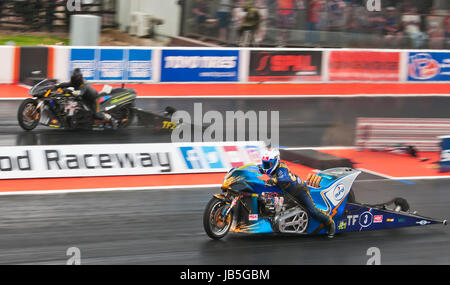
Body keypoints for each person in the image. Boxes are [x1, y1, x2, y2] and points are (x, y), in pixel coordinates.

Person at [259, 148, 336, 238]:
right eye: (265, 163)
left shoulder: (282, 168)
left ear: (276, 161)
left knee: (313, 211)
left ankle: (330, 223)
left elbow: (284, 178)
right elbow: (257, 168)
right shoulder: (268, 167)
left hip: (299, 191)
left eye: (268, 164)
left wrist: (274, 180)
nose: (266, 166)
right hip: (286, 192)